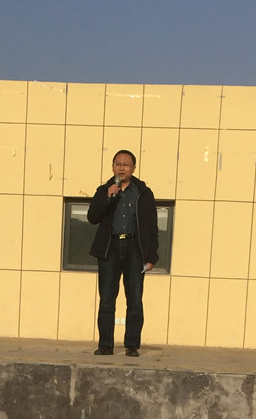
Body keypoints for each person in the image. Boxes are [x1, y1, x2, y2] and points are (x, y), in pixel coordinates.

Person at [87, 149, 159, 357]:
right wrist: (108, 197)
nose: (121, 168)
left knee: (134, 299)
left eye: (126, 165)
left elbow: (152, 226)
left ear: (133, 168)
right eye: (118, 164)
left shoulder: (143, 193)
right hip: (110, 248)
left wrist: (151, 256)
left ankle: (132, 345)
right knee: (107, 299)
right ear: (113, 167)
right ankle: (105, 345)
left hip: (134, 248)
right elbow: (92, 217)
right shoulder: (104, 190)